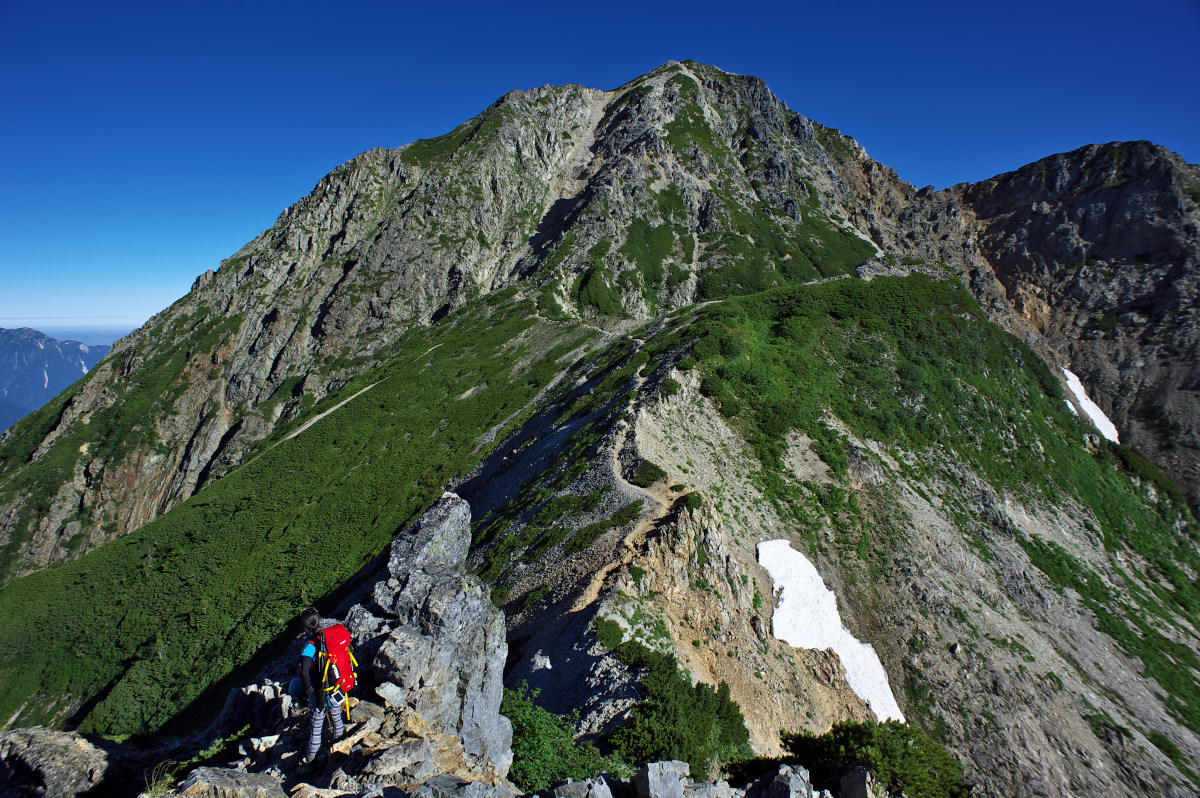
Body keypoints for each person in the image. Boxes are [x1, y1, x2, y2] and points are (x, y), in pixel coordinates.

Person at [297, 607, 346, 772]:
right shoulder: (331, 636)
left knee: (316, 725)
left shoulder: (310, 645)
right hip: (336, 685)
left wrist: (309, 690)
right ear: (319, 619)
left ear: (305, 628)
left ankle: (310, 758)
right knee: (336, 717)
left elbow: (304, 671)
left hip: (320, 690)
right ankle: (339, 748)